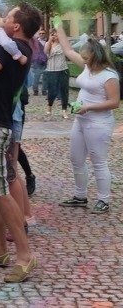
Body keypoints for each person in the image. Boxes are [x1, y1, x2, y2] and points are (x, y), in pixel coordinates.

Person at [0, 3, 40, 284]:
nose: (3, 17)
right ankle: (0, 249)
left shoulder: (8, 48)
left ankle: (24, 255)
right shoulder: (23, 49)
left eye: (9, 15)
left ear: (16, 26)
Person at [54, 22, 120, 213]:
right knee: (76, 158)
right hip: (81, 120)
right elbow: (66, 49)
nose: (83, 61)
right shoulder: (86, 67)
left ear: (95, 56)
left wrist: (89, 107)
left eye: (86, 58)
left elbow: (114, 102)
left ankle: (103, 199)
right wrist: (58, 26)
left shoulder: (109, 76)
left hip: (98, 123)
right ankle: (80, 195)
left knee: (98, 160)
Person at [44, 28, 70, 119]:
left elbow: (69, 51)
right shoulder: (49, 44)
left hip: (63, 70)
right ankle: (49, 107)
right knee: (52, 91)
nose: (55, 35)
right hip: (51, 70)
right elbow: (46, 52)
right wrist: (50, 40)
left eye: (56, 34)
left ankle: (64, 110)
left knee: (64, 91)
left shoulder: (64, 44)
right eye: (53, 34)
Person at [29, 28, 48, 95]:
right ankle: (35, 90)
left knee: (45, 77)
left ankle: (44, 90)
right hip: (37, 61)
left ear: (45, 34)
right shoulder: (35, 42)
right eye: (40, 33)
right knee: (37, 76)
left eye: (43, 33)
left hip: (47, 61)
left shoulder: (48, 41)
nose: (41, 34)